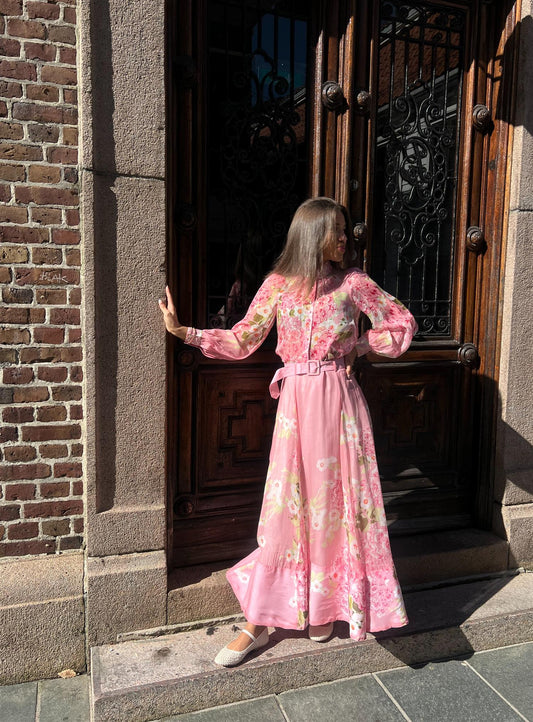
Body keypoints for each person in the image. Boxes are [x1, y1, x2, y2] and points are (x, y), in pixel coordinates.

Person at [159, 197, 418, 667]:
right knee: (287, 511)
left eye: (345, 230)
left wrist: (360, 345)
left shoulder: (353, 283)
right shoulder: (277, 285)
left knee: (337, 507)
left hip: (340, 406)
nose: (345, 238)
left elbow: (401, 323)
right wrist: (186, 334)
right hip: (296, 407)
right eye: (338, 230)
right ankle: (257, 621)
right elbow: (244, 338)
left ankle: (325, 606)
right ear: (313, 233)